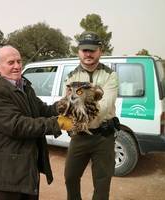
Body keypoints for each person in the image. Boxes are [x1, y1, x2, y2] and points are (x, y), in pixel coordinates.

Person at [0, 45, 72, 200]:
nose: (17, 66)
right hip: (8, 172)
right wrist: (58, 124)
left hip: (28, 167)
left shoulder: (25, 86)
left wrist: (66, 104)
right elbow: (17, 125)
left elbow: (42, 109)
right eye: (11, 62)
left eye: (19, 61)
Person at [63, 31, 119, 200]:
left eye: (92, 50)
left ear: (100, 51)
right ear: (78, 51)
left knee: (102, 183)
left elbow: (105, 105)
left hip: (103, 137)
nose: (88, 54)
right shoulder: (71, 76)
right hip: (79, 137)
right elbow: (67, 106)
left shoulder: (110, 75)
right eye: (84, 50)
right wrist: (67, 124)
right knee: (70, 177)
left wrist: (78, 111)